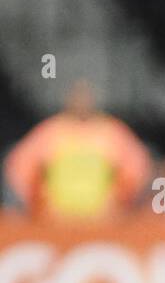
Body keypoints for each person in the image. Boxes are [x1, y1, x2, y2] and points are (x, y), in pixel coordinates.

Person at [3, 79, 151, 223]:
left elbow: (138, 167)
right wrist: (38, 203)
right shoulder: (51, 131)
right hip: (56, 221)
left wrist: (120, 202)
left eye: (85, 98)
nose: (81, 102)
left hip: (102, 221)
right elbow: (19, 166)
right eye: (77, 97)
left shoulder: (111, 131)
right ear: (68, 100)